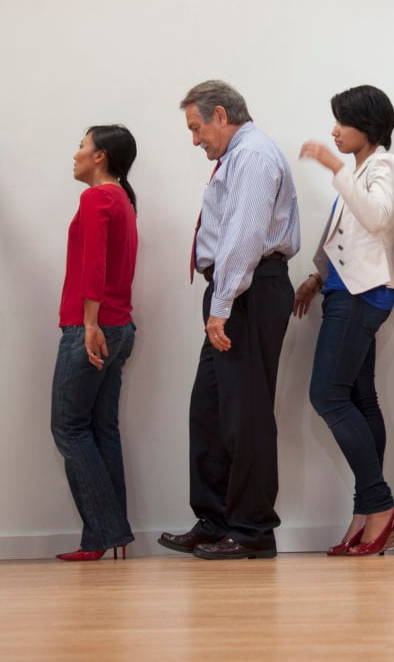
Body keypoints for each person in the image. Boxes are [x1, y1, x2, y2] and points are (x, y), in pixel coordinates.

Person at [159, 81, 300, 561]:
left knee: (247, 415)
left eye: (196, 128)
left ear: (220, 115)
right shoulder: (239, 156)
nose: (195, 139)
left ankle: (253, 529)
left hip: (247, 292)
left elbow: (244, 232)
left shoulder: (253, 155)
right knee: (211, 410)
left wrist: (221, 305)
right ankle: (216, 520)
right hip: (235, 291)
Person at [293, 86, 394, 557]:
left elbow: (377, 218)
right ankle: (367, 510)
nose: (334, 131)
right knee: (359, 398)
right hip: (346, 291)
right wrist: (317, 277)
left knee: (327, 395)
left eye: (342, 122)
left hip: (362, 296)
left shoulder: (382, 165)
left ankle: (381, 506)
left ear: (368, 125)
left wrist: (334, 166)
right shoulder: (362, 170)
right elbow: (344, 236)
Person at [52, 126, 140, 561]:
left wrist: (88, 323)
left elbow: (95, 264)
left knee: (68, 428)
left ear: (100, 156)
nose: (76, 154)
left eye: (82, 146)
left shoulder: (96, 198)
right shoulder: (121, 199)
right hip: (120, 325)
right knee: (101, 429)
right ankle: (112, 536)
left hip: (94, 326)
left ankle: (104, 533)